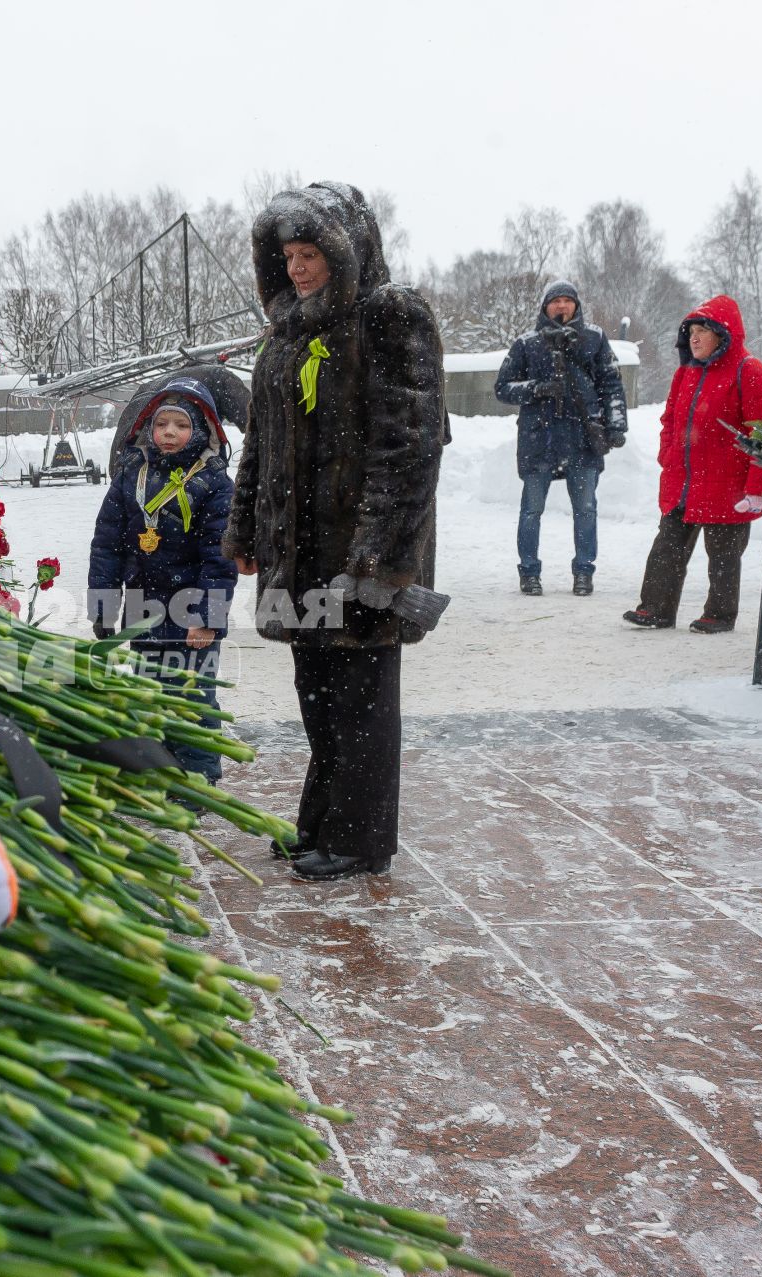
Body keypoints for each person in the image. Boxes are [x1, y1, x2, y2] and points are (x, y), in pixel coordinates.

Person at [222, 182, 446, 882]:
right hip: (300, 553)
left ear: (347, 251)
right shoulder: (288, 332)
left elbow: (408, 446)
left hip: (359, 553)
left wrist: (380, 557)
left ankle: (361, 837)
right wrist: (245, 529)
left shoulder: (389, 317)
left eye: (311, 252)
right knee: (317, 693)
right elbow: (258, 442)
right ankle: (322, 822)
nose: (297, 267)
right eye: (287, 254)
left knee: (361, 698)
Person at [87, 377, 236, 785]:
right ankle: (164, 774)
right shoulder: (130, 476)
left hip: (191, 616)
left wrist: (208, 617)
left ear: (202, 431)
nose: (169, 433)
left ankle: (199, 779)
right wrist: (103, 606)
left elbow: (219, 559)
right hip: (142, 610)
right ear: (147, 429)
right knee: (150, 695)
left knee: (191, 697)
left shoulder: (215, 484)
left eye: (182, 425)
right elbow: (107, 544)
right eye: (161, 424)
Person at [622, 297, 762, 633]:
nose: (694, 338)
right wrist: (668, 456)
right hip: (684, 483)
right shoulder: (685, 373)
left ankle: (720, 615)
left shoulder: (749, 371)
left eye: (703, 331)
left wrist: (759, 488)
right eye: (691, 331)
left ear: (723, 335)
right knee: (666, 547)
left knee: (723, 555)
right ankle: (655, 609)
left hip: (728, 485)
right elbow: (670, 420)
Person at [494, 280, 628, 597]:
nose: (562, 306)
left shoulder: (594, 339)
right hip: (539, 439)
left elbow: (612, 385)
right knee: (531, 510)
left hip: (583, 438)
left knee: (585, 510)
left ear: (577, 306)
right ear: (545, 307)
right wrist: (536, 388)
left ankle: (584, 572)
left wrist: (617, 425)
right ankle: (529, 572)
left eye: (568, 301)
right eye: (556, 301)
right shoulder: (526, 344)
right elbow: (502, 388)